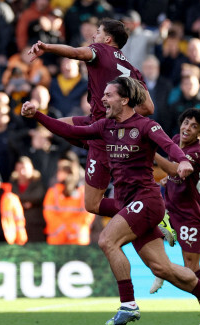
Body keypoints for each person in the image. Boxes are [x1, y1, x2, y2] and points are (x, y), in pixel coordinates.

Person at [21, 76, 200, 325]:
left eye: (109, 95)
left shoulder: (146, 126)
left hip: (146, 199)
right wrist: (39, 117)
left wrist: (183, 161)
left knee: (107, 240)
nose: (103, 99)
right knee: (162, 268)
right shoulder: (105, 126)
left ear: (124, 99)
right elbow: (71, 131)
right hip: (128, 203)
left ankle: (128, 303)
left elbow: (169, 145)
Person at [27, 19, 155, 220]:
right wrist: (122, 117)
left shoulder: (101, 50)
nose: (93, 36)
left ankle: (145, 209)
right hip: (101, 125)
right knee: (60, 126)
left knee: (92, 204)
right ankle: (144, 207)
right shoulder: (132, 69)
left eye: (98, 32)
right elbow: (148, 107)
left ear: (108, 38)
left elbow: (77, 53)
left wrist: (47, 47)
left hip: (102, 133)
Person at [148, 108, 200, 325]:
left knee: (192, 269)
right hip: (171, 207)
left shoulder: (198, 153)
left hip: (190, 215)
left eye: (194, 127)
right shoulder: (176, 140)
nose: (187, 128)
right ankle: (161, 269)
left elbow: (177, 170)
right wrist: (166, 181)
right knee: (144, 226)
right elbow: (171, 175)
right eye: (186, 123)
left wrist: (151, 153)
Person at [43, 152, 95, 245]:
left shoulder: (83, 191)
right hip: (63, 238)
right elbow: (49, 213)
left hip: (72, 238)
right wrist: (67, 227)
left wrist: (65, 227)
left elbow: (88, 214)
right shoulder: (54, 191)